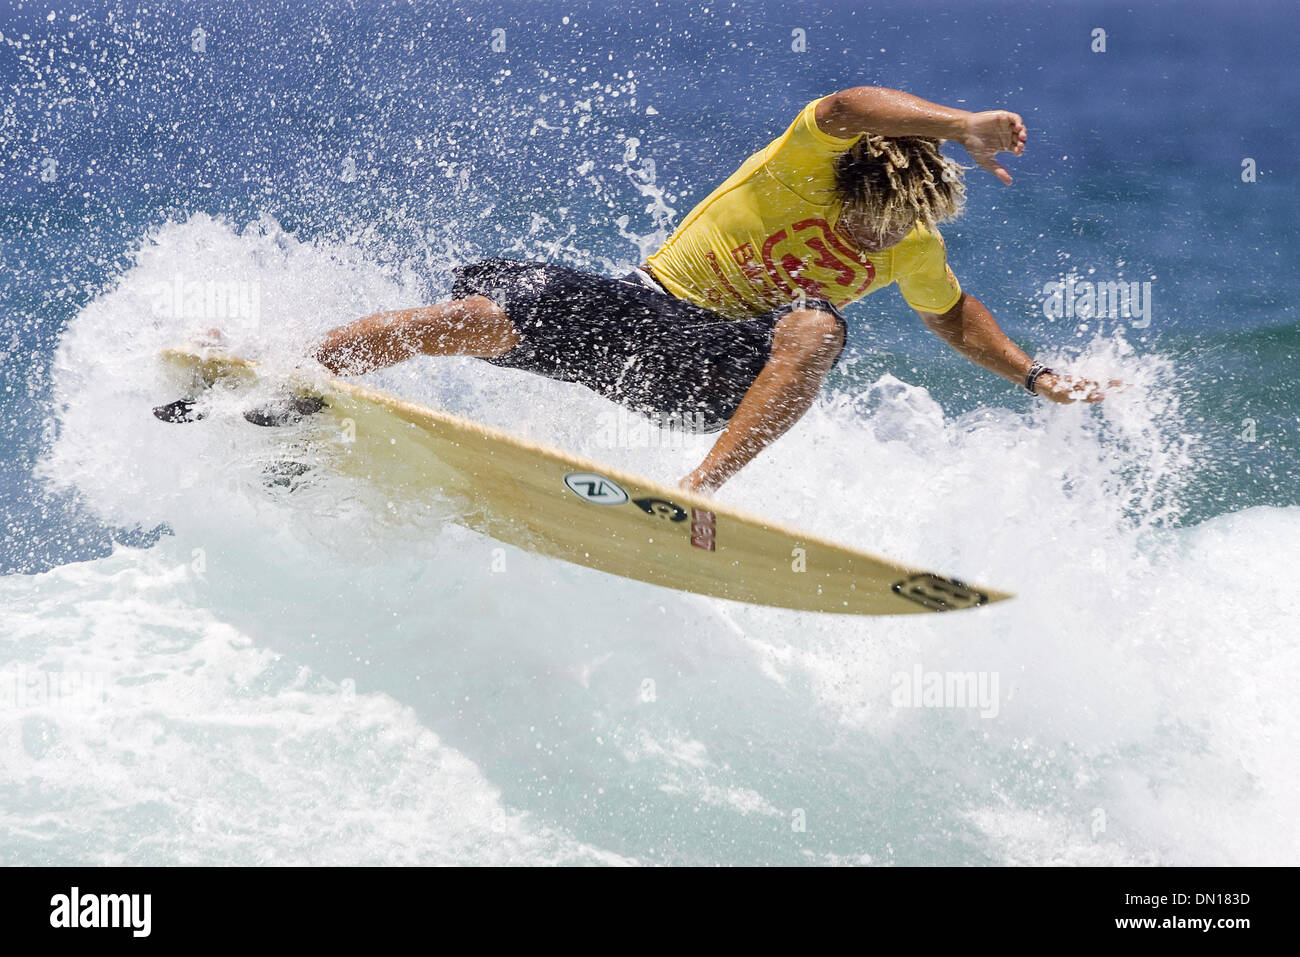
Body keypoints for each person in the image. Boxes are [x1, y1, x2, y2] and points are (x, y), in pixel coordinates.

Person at [314, 86, 1114, 494]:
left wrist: (1035, 376)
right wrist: (961, 121)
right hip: (642, 309)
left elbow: (952, 314)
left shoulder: (913, 246)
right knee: (489, 312)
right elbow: (843, 106)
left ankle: (700, 493)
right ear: (852, 182)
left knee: (814, 325)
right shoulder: (804, 162)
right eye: (869, 221)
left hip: (713, 376)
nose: (874, 243)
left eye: (896, 229)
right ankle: (306, 370)